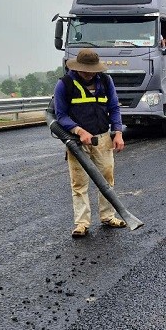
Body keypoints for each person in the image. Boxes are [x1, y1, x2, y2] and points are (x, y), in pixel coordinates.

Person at [54, 49, 126, 238]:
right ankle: (82, 223)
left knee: (107, 180)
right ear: (77, 68)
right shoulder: (65, 85)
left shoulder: (105, 81)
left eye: (92, 70)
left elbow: (114, 108)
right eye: (86, 70)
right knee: (79, 183)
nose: (89, 74)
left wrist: (118, 133)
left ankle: (108, 216)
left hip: (103, 138)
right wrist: (78, 130)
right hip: (77, 142)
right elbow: (60, 115)